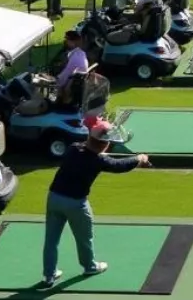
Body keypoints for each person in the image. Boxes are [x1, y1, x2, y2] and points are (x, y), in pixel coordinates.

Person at [38, 120, 150, 289]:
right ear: (104, 145)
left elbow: (89, 152)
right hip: (76, 203)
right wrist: (139, 158)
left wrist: (100, 148)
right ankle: (89, 267)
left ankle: (49, 275)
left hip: (54, 198)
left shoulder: (73, 148)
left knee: (51, 240)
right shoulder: (98, 161)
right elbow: (120, 166)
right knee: (84, 238)